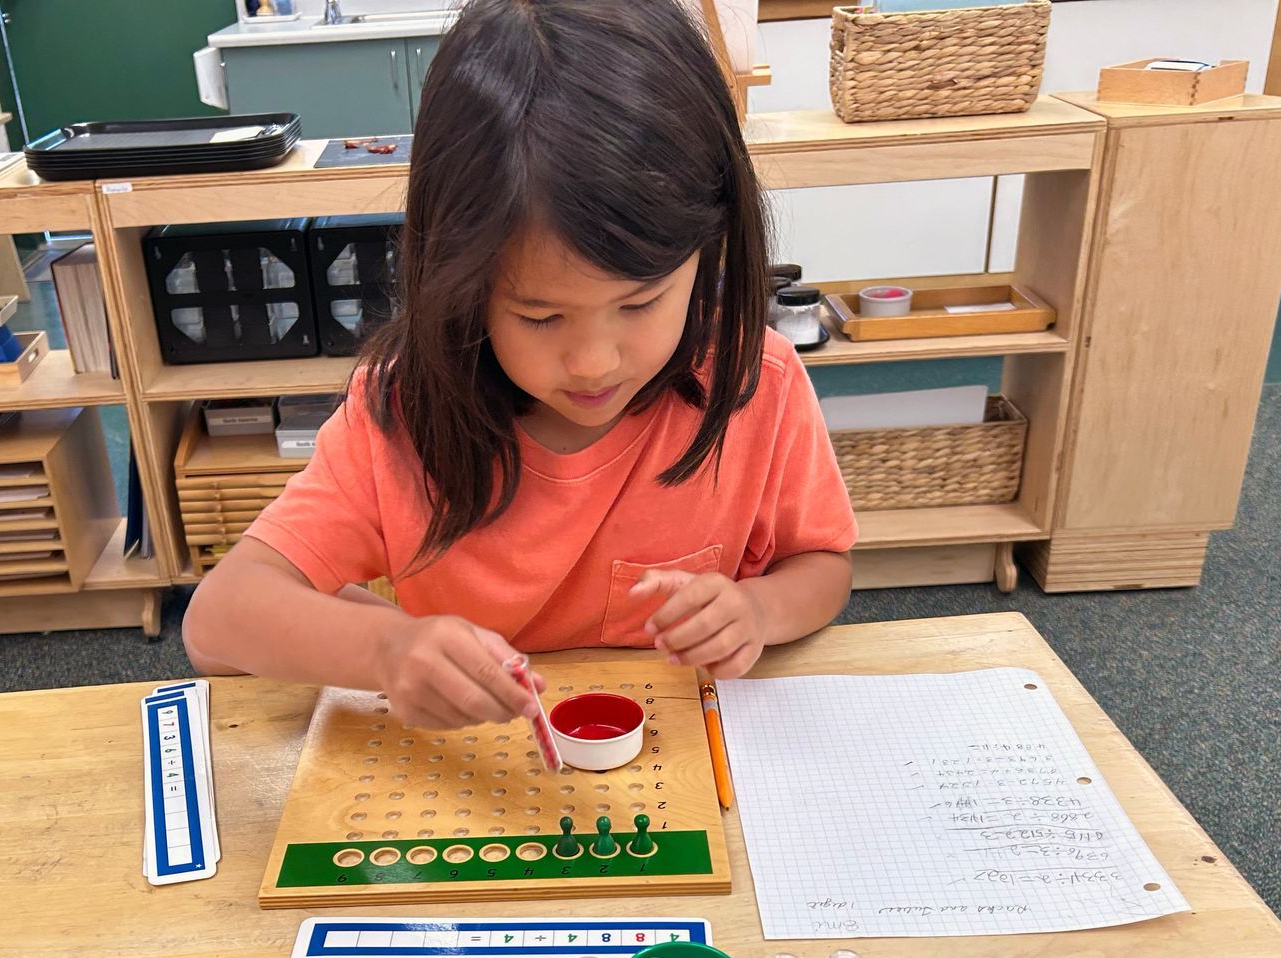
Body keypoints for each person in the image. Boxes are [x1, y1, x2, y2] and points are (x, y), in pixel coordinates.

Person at [183, 0, 855, 730]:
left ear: (709, 246)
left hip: (696, 756)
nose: (594, 362)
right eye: (539, 317)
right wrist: (387, 648)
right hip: (482, 781)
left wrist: (757, 610)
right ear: (460, 278)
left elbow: (822, 567)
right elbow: (217, 622)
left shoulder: (759, 381)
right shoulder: (406, 414)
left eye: (640, 304)